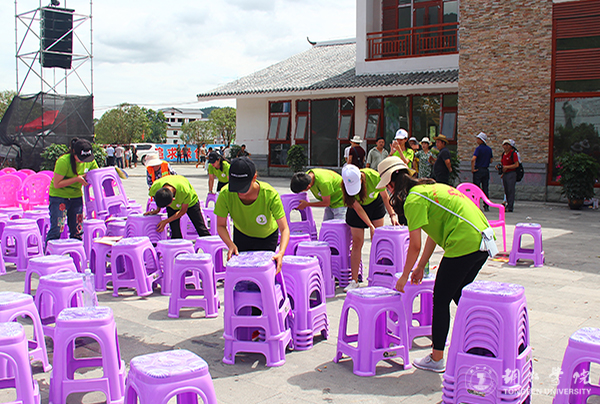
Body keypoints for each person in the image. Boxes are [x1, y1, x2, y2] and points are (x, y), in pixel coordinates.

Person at [376, 156, 491, 373]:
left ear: (391, 183)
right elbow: (433, 233)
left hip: (464, 242)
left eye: (387, 187)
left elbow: (414, 245)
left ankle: (437, 358)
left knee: (440, 300)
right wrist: (420, 266)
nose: (389, 192)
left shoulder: (413, 200)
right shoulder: (429, 188)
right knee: (459, 294)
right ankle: (484, 338)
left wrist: (404, 276)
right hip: (482, 240)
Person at [214, 157, 289, 272]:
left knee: (264, 272)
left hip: (267, 237)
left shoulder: (269, 194)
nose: (240, 192)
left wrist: (281, 253)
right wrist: (230, 244)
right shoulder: (225, 194)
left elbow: (284, 229)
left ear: (254, 178)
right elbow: (220, 225)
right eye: (236, 187)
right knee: (243, 272)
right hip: (242, 234)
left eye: (243, 187)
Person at [341, 165, 399, 291]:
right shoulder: (345, 186)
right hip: (357, 211)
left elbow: (385, 197)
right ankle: (354, 280)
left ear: (361, 179)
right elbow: (358, 209)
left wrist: (392, 215)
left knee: (377, 242)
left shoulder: (373, 177)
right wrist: (370, 226)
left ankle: (378, 276)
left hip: (375, 205)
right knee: (357, 243)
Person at [47, 138, 99, 244]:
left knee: (77, 229)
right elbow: (57, 184)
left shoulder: (89, 161)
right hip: (59, 196)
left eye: (86, 158)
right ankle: (49, 250)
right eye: (80, 158)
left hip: (76, 197)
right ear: (74, 153)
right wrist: (76, 179)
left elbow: (96, 173)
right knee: (58, 227)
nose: (83, 161)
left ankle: (76, 251)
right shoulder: (63, 161)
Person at [145, 175, 210, 238]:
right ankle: (177, 243)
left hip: (190, 203)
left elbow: (183, 211)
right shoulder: (155, 187)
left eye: (167, 206)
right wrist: (157, 210)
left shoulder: (184, 190)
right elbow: (157, 198)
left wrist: (166, 221)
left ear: (173, 199)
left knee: (200, 228)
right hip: (172, 201)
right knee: (175, 231)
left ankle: (209, 242)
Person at [471, 132, 493, 211]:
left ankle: (475, 204)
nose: (477, 140)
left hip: (478, 169)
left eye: (478, 139)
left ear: (481, 140)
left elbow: (473, 159)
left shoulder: (478, 149)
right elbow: (491, 160)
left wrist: (473, 169)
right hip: (485, 169)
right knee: (485, 188)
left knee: (476, 188)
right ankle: (486, 205)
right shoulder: (489, 149)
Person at [500, 139, 520, 212]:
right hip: (505, 173)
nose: (506, 146)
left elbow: (516, 164)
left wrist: (507, 167)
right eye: (505, 145)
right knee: (506, 190)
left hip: (511, 173)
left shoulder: (513, 154)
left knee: (510, 190)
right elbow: (503, 163)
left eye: (507, 145)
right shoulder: (503, 154)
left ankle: (510, 206)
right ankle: (507, 203)